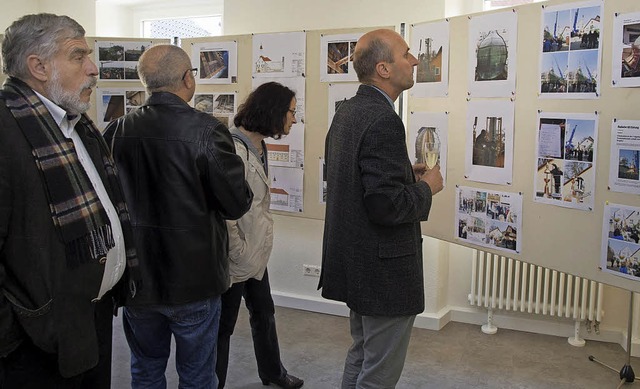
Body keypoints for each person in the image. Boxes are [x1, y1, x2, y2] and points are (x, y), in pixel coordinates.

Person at [0, 13, 139, 388]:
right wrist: (15, 335)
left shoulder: (77, 126)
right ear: (38, 66)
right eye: (78, 56)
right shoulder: (6, 128)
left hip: (90, 317)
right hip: (34, 338)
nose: (93, 69)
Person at [103, 44, 253, 388]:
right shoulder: (206, 129)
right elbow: (235, 204)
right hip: (195, 277)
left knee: (145, 369)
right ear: (188, 78)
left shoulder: (115, 131)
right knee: (198, 375)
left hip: (137, 277)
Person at [319, 29, 444, 388]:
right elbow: (385, 207)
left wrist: (406, 174)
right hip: (382, 274)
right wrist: (426, 187)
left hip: (357, 264)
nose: (416, 60)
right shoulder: (383, 120)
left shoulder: (348, 112)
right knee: (379, 374)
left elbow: (361, 185)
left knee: (361, 355)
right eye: (407, 54)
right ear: (384, 68)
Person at [215, 82, 304, 389]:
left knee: (264, 312)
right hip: (236, 255)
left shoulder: (258, 144)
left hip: (254, 253)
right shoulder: (232, 148)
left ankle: (273, 373)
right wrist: (239, 252)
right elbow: (225, 212)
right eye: (291, 112)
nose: (294, 119)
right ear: (274, 111)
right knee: (223, 327)